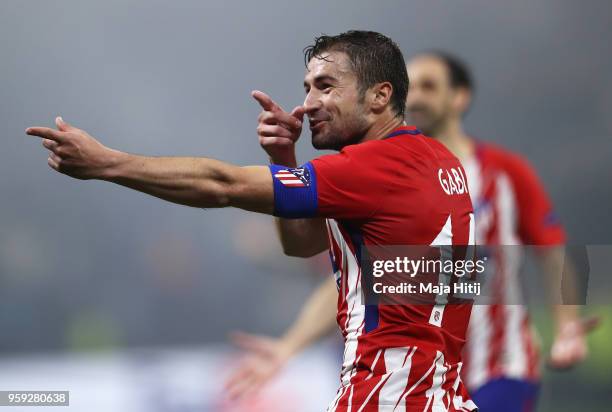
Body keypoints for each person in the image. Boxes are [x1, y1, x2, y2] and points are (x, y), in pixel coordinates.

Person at [27, 31, 478, 411]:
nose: (309, 103)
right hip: (443, 393)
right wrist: (285, 160)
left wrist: (108, 163)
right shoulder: (439, 161)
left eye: (326, 86)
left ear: (380, 95)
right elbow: (302, 245)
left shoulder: (375, 167)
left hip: (388, 394)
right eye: (307, 87)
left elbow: (222, 185)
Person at [226, 51, 597, 412]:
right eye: (412, 86)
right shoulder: (384, 176)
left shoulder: (505, 173)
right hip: (416, 385)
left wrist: (566, 324)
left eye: (429, 86)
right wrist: (289, 346)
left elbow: (553, 253)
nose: (416, 95)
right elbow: (366, 277)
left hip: (498, 369)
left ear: (459, 97)